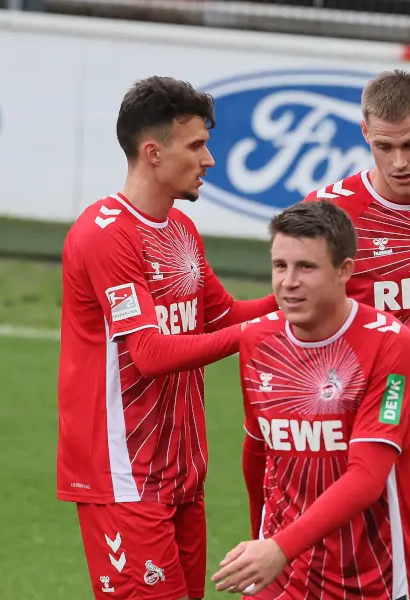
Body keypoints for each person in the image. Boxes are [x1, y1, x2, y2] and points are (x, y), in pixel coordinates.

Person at [56, 75, 278, 600]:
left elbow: (223, 317)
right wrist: (260, 330)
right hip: (123, 476)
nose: (210, 160)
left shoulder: (180, 230)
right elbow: (149, 355)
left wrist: (312, 296)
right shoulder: (105, 235)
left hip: (181, 473)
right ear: (153, 152)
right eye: (197, 146)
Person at [301, 70, 410, 599]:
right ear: (364, 135)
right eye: (384, 146)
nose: (399, 162)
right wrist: (403, 367)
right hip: (354, 444)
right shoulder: (329, 215)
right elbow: (302, 341)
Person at [210, 200, 410, 599]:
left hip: (365, 574)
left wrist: (278, 547)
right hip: (280, 571)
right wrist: (262, 542)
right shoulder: (257, 340)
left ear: (344, 271)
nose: (288, 282)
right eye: (279, 266)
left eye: (306, 267)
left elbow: (367, 478)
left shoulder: (390, 344)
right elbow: (258, 450)